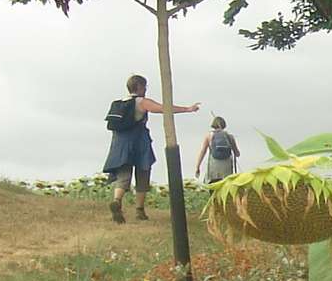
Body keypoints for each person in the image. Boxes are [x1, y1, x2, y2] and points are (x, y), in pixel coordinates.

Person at [103, 74, 199, 223]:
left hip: (119, 144)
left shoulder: (119, 103)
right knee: (143, 173)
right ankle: (140, 211)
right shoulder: (141, 102)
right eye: (145, 86)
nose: (146, 89)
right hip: (139, 142)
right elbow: (163, 108)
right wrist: (187, 109)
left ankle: (117, 201)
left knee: (123, 176)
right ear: (139, 87)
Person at [195, 115, 240, 183]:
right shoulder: (230, 136)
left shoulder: (209, 136)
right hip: (227, 168)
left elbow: (203, 152)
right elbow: (237, 154)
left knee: (212, 185)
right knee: (225, 185)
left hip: (214, 166)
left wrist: (197, 166)